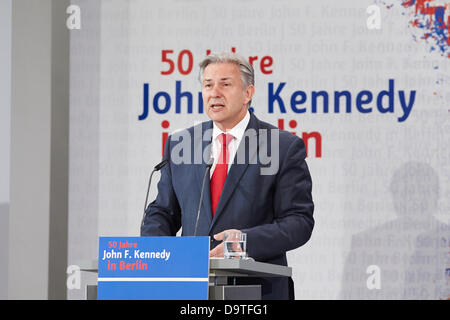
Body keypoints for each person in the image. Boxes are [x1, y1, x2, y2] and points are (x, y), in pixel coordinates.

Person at [141, 52, 314, 299]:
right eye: (208, 85)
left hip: (257, 291)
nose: (214, 93)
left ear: (248, 93)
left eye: (225, 84)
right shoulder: (181, 144)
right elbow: (162, 212)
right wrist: (157, 253)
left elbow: (299, 222)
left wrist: (243, 243)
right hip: (191, 290)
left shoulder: (281, 146)